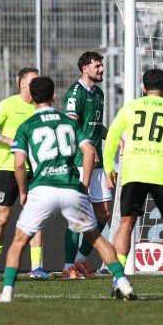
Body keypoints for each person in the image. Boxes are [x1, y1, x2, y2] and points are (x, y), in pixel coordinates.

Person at [0, 76, 136, 303]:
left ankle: (7, 292)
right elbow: (89, 151)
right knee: (97, 239)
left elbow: (19, 164)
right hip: (71, 186)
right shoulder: (68, 122)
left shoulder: (27, 126)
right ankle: (122, 281)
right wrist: (85, 183)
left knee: (19, 241)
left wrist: (23, 191)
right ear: (54, 96)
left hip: (42, 188)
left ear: (31, 98)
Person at [104, 68, 163, 297]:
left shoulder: (131, 107)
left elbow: (113, 135)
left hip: (134, 171)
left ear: (143, 88)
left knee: (126, 224)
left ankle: (118, 280)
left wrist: (109, 167)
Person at [0, 67, 48, 279]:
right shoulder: (7, 104)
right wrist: (13, 142)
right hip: (8, 168)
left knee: (36, 217)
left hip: (35, 169)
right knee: (2, 219)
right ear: (22, 84)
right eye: (33, 81)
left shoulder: (40, 108)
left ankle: (36, 267)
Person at [62, 52, 109, 279]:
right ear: (85, 69)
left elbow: (96, 125)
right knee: (76, 215)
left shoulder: (98, 93)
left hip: (97, 161)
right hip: (80, 162)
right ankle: (68, 265)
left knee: (104, 214)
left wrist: (116, 138)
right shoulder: (75, 93)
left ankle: (80, 260)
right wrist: (86, 146)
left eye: (102, 65)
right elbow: (69, 125)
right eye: (97, 66)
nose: (101, 69)